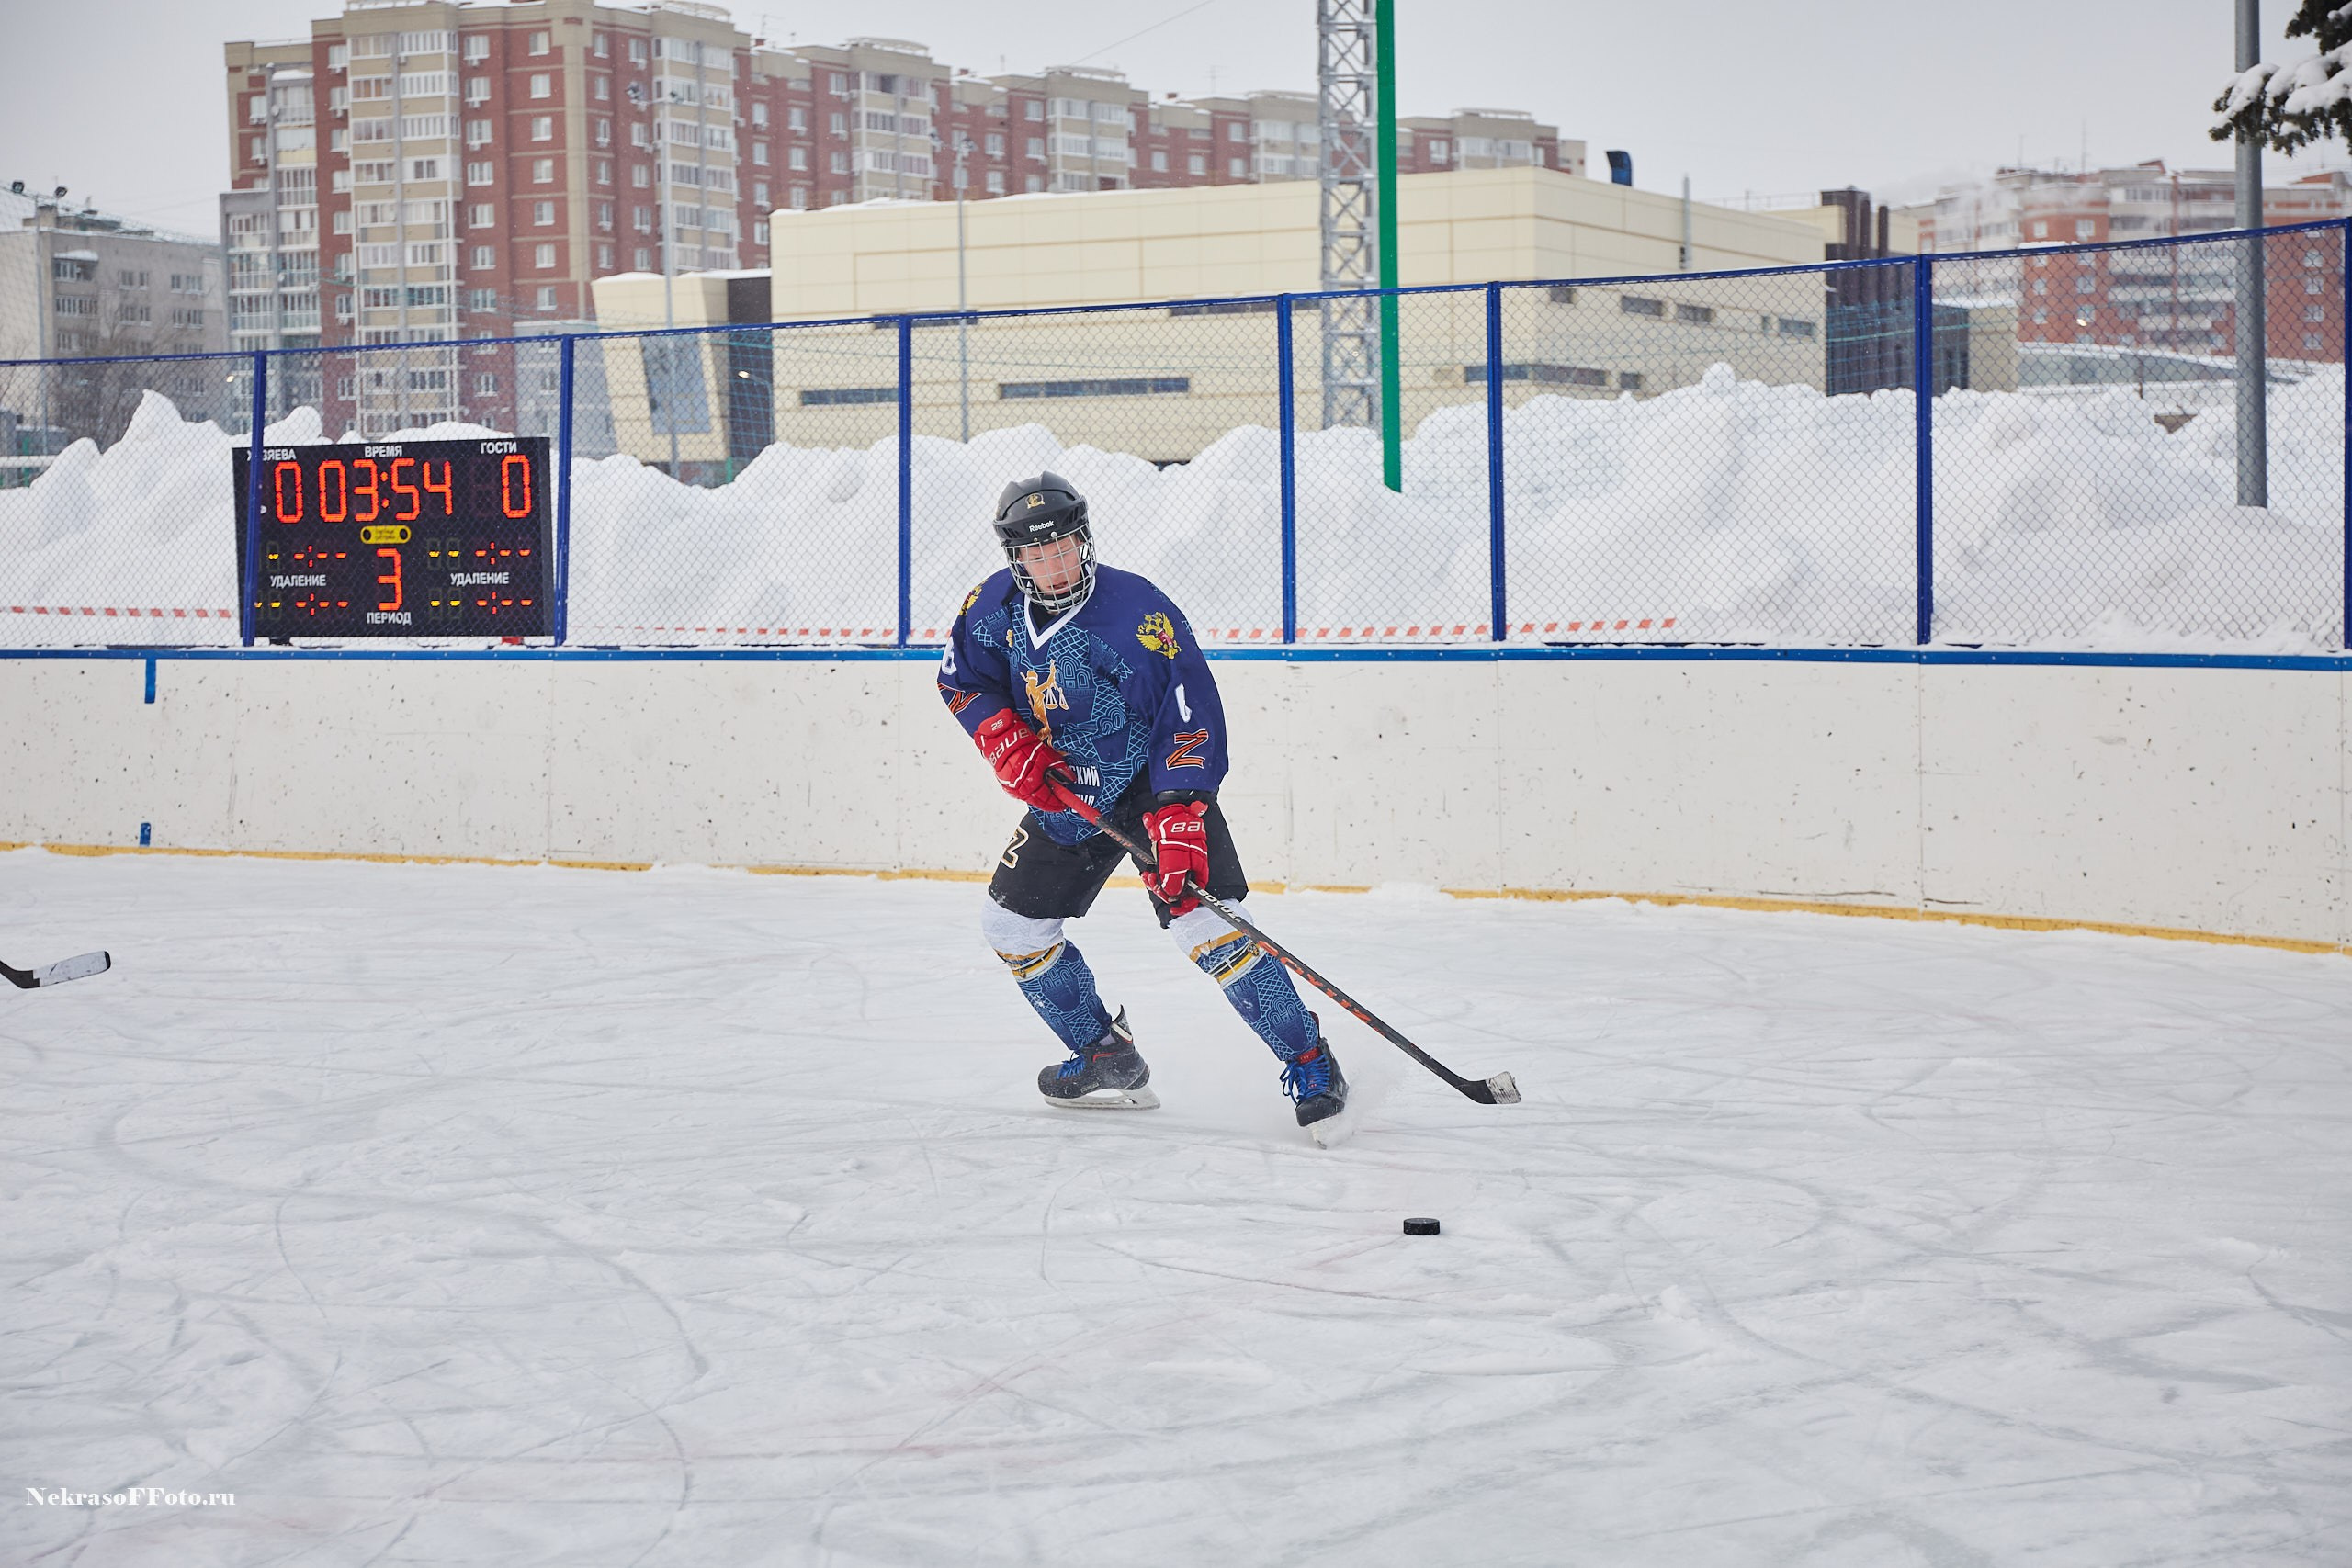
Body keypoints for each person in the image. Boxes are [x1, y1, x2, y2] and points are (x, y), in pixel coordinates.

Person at [937, 471, 1348, 1135]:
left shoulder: (1138, 612)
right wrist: (1000, 735)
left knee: (1206, 926)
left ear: (1083, 540)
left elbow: (1188, 710)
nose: (1055, 565)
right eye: (1038, 554)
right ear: (1016, 558)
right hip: (1067, 792)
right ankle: (1105, 1055)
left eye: (1064, 547)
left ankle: (1311, 1061)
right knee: (1012, 927)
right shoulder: (990, 608)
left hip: (1155, 788)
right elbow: (963, 679)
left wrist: (1181, 810)